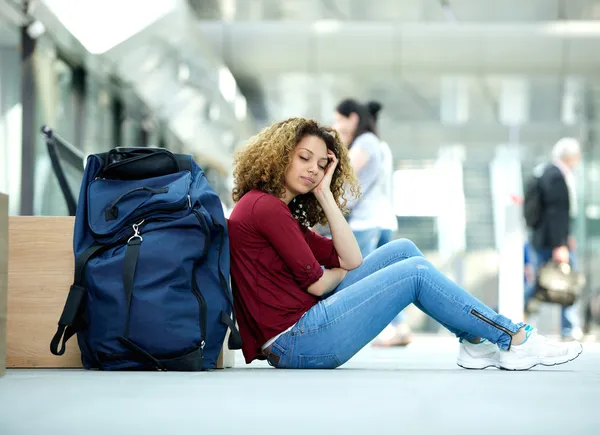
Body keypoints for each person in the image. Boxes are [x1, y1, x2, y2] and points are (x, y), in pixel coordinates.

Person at [228, 117, 583, 370]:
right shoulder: (265, 207)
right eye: (304, 158)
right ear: (279, 155)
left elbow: (350, 259)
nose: (313, 170)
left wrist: (325, 195)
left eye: (321, 165)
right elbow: (320, 282)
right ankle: (511, 338)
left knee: (403, 250)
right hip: (297, 341)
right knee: (414, 273)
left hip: (302, 330)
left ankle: (474, 344)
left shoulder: (277, 210)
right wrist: (334, 274)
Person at [529, 138, 583, 340]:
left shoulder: (546, 172)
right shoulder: (556, 176)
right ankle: (568, 327)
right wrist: (560, 244)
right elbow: (555, 213)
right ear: (570, 157)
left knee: (542, 283)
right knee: (565, 281)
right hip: (551, 242)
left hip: (546, 239)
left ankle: (527, 324)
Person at [333, 99, 384, 256]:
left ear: (353, 118)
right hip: (360, 219)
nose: (337, 125)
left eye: (339, 120)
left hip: (362, 221)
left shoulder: (366, 141)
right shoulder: (366, 141)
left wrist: (338, 141)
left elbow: (344, 171)